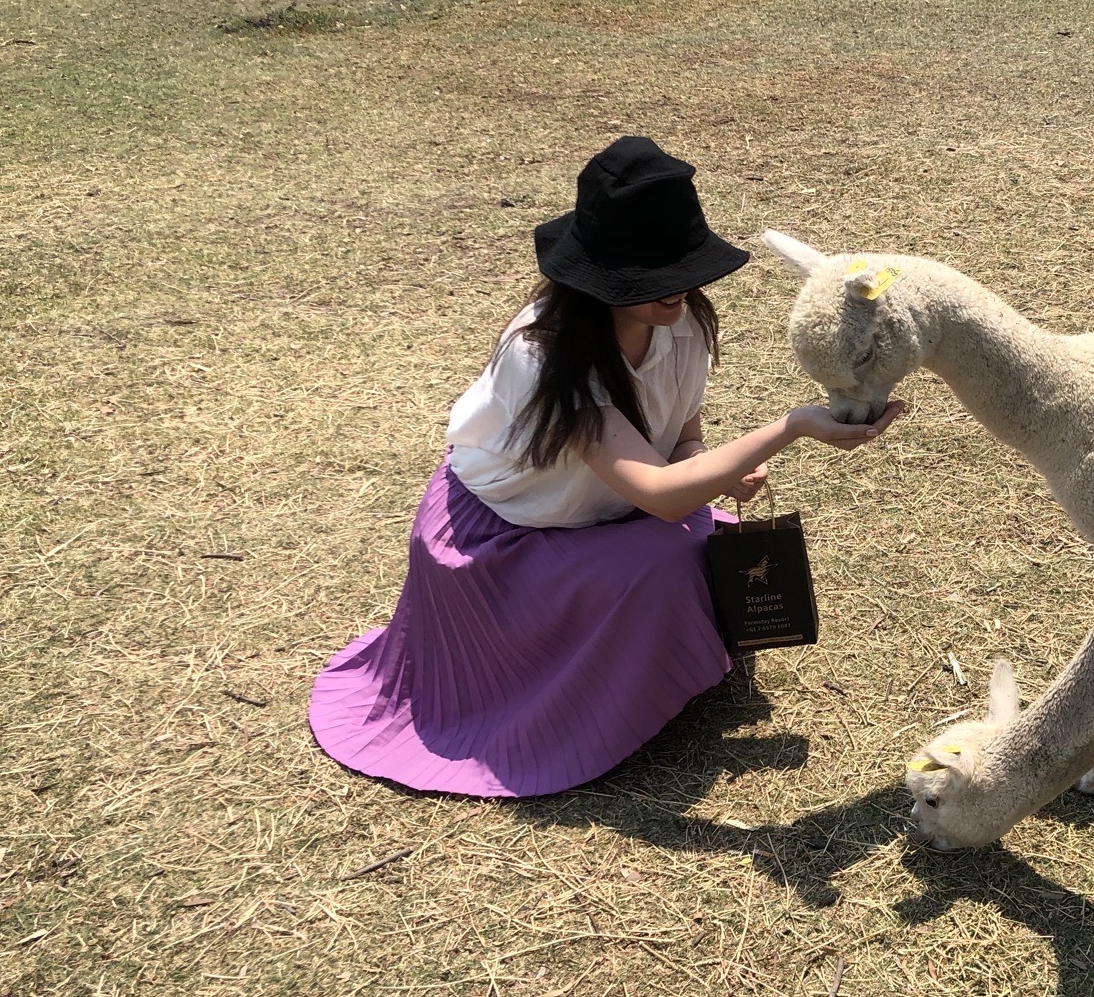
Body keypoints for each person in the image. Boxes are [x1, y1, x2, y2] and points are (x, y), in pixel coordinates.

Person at [309, 137, 901, 797]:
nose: (679, 288)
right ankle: (575, 696)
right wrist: (790, 428)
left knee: (707, 547)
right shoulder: (543, 357)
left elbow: (680, 445)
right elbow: (661, 493)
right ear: (602, 276)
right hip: (500, 543)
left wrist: (713, 468)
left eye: (685, 265)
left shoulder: (684, 324)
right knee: (673, 564)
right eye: (656, 273)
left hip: (606, 508)